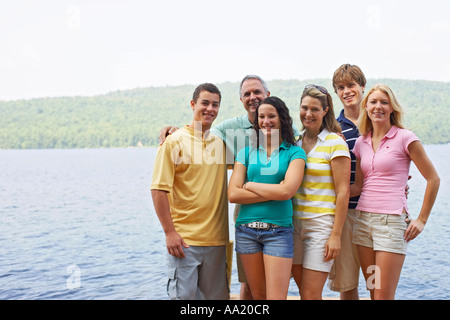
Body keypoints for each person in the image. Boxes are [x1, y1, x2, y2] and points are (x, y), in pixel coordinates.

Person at [158, 75, 300, 300]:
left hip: (261, 231)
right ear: (241, 99)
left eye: (257, 93)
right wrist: (174, 130)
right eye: (247, 94)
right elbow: (198, 134)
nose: (253, 98)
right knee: (248, 287)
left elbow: (288, 185)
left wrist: (253, 186)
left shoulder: (290, 145)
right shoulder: (226, 132)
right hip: (240, 227)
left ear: (268, 96)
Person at [350, 84, 440, 300]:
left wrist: (421, 220)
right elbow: (358, 187)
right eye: (373, 102)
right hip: (362, 223)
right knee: (373, 290)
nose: (378, 106)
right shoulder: (361, 143)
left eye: (384, 102)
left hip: (390, 225)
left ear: (392, 108)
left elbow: (433, 179)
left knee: (383, 296)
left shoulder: (405, 137)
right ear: (366, 107)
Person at [151, 83, 230, 300]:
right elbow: (158, 190)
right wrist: (169, 232)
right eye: (205, 103)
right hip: (184, 242)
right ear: (193, 104)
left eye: (215, 105)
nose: (210, 109)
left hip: (217, 241)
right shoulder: (173, 142)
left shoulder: (220, 144)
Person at [228, 96, 306, 299]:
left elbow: (287, 192)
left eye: (271, 116)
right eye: (261, 117)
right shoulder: (246, 153)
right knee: (258, 297)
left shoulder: (295, 153)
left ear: (282, 119)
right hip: (246, 232)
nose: (266, 121)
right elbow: (233, 194)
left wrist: (251, 185)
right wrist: (275, 191)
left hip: (278, 232)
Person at [292, 84, 351, 300]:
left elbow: (343, 192)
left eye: (315, 109)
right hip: (293, 226)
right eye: (304, 108)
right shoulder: (294, 142)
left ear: (325, 111)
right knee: (305, 293)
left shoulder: (335, 143)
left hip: (321, 227)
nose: (308, 114)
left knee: (310, 294)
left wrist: (335, 235)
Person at [327, 63, 367, 300]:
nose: (346, 91)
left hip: (376, 213)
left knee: (377, 281)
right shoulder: (333, 128)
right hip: (346, 214)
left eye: (351, 85)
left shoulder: (380, 119)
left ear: (362, 86)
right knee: (347, 283)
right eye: (340, 87)